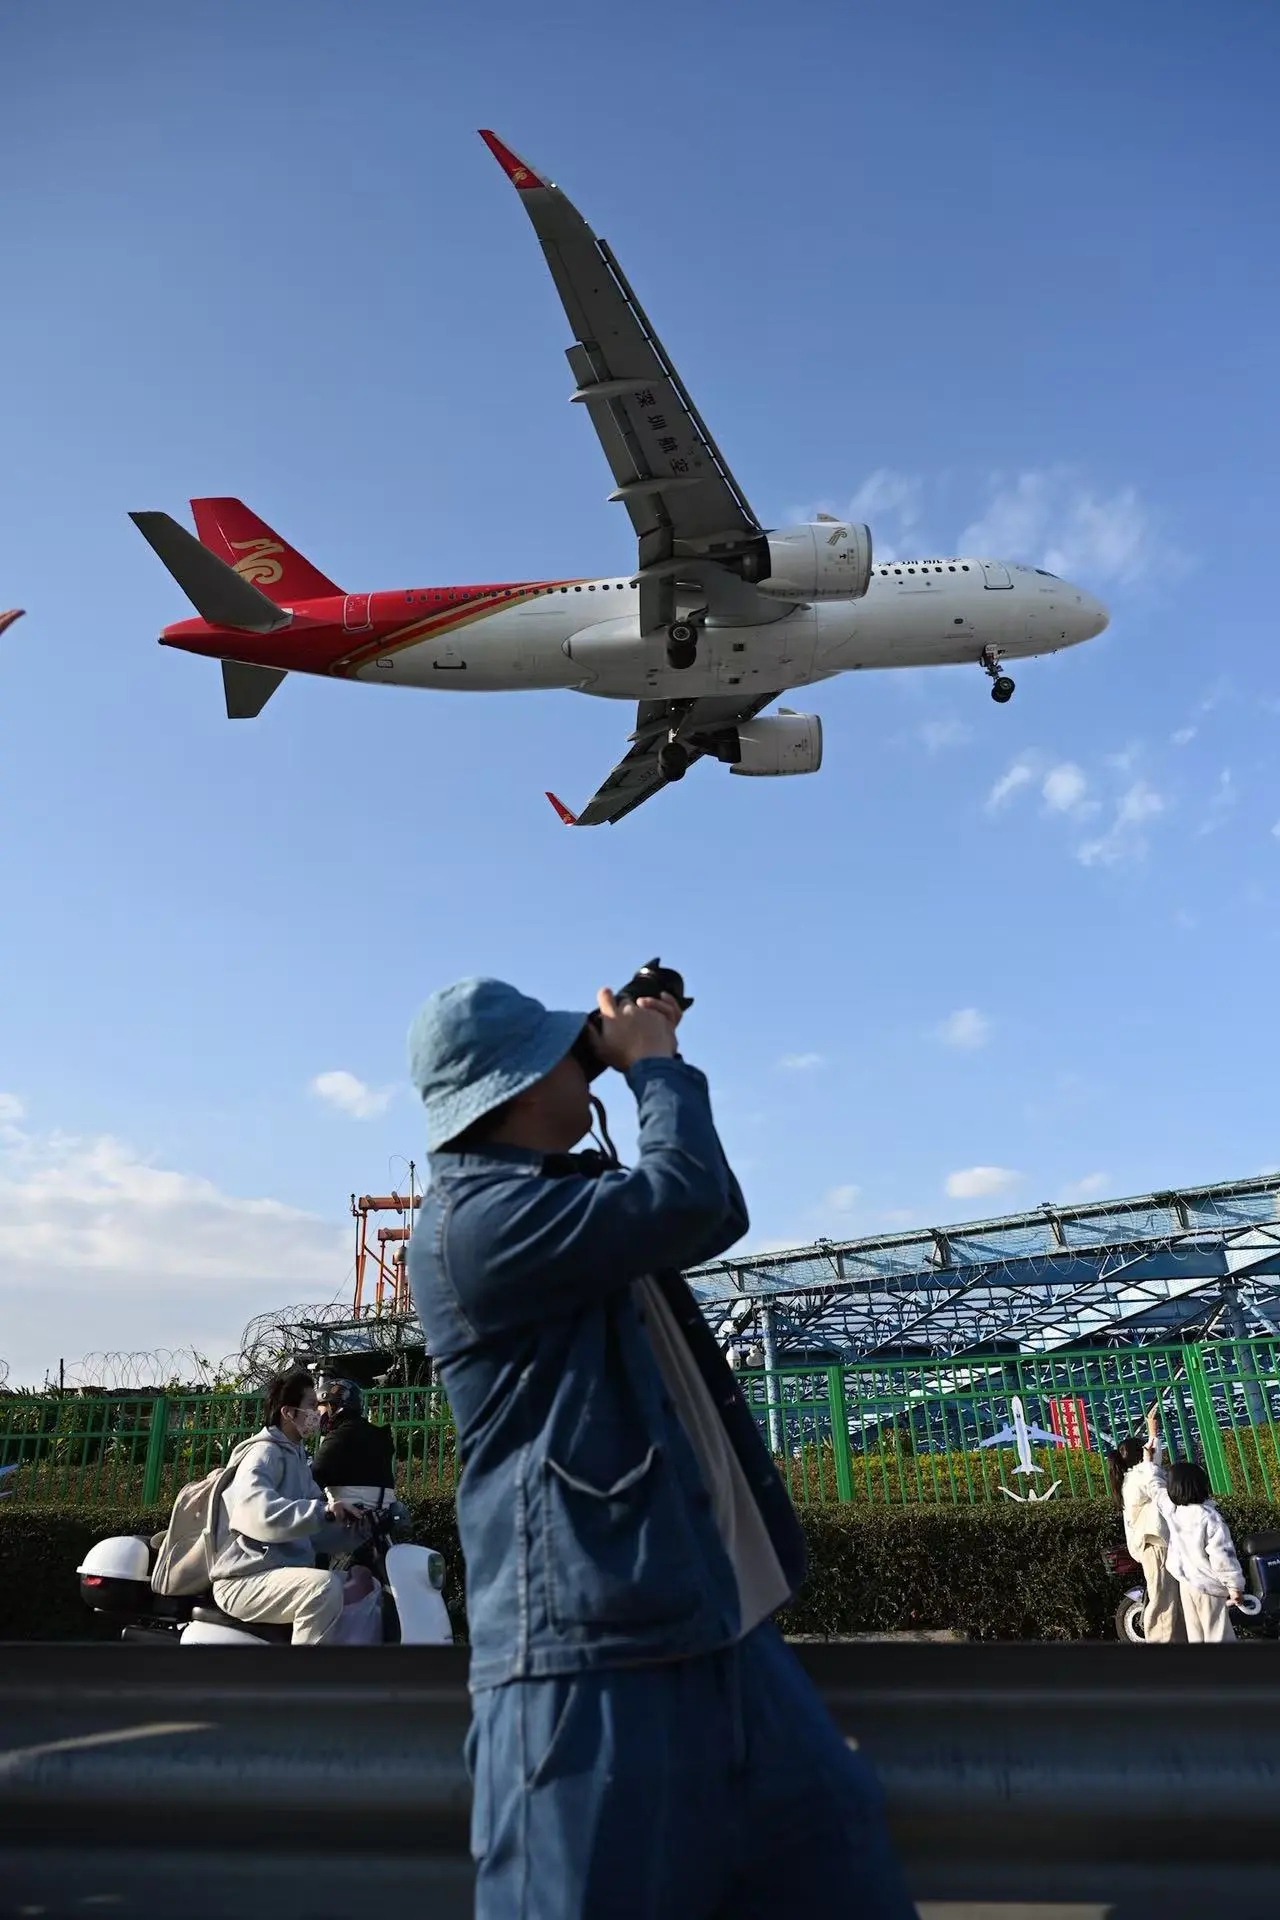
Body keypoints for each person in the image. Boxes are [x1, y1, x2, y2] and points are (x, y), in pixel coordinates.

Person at [406, 975, 915, 1920]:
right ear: (523, 1084)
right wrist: (650, 1067)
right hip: (583, 1653)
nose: (587, 1063)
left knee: (836, 1852)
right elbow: (681, 1198)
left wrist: (640, 1062)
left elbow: (713, 1209)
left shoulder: (560, 1197)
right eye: (569, 1054)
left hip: (703, 1614)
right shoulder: (472, 1227)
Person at [210, 1368, 364, 1645]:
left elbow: (316, 1523)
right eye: (311, 1405)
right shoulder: (263, 1453)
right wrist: (321, 1512)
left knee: (361, 1585)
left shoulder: (297, 1457)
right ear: (289, 1413)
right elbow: (259, 1513)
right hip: (244, 1578)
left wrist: (357, 1528)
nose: (318, 1413)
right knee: (323, 1589)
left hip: (278, 1573)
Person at [1106, 1405, 1184, 1642]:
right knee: (1164, 1600)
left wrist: (1153, 1430)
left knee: (1172, 1598)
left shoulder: (1136, 1475)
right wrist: (1150, 1452)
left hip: (1158, 1545)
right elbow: (1154, 1477)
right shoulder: (1136, 1479)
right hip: (1154, 1546)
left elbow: (1153, 1468)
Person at [1156, 1459, 1245, 1643]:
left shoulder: (1173, 1512)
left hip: (1186, 1584)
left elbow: (1156, 1490)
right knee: (1218, 1635)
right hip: (1208, 1586)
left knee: (1196, 1635)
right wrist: (1234, 1586)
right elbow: (1222, 1555)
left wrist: (1149, 1463)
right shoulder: (1208, 1517)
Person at [312, 1377, 397, 1506]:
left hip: (351, 1514)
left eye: (320, 1407)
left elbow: (314, 1477)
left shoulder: (339, 1436)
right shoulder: (380, 1435)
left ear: (333, 1406)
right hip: (384, 1512)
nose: (317, 1414)